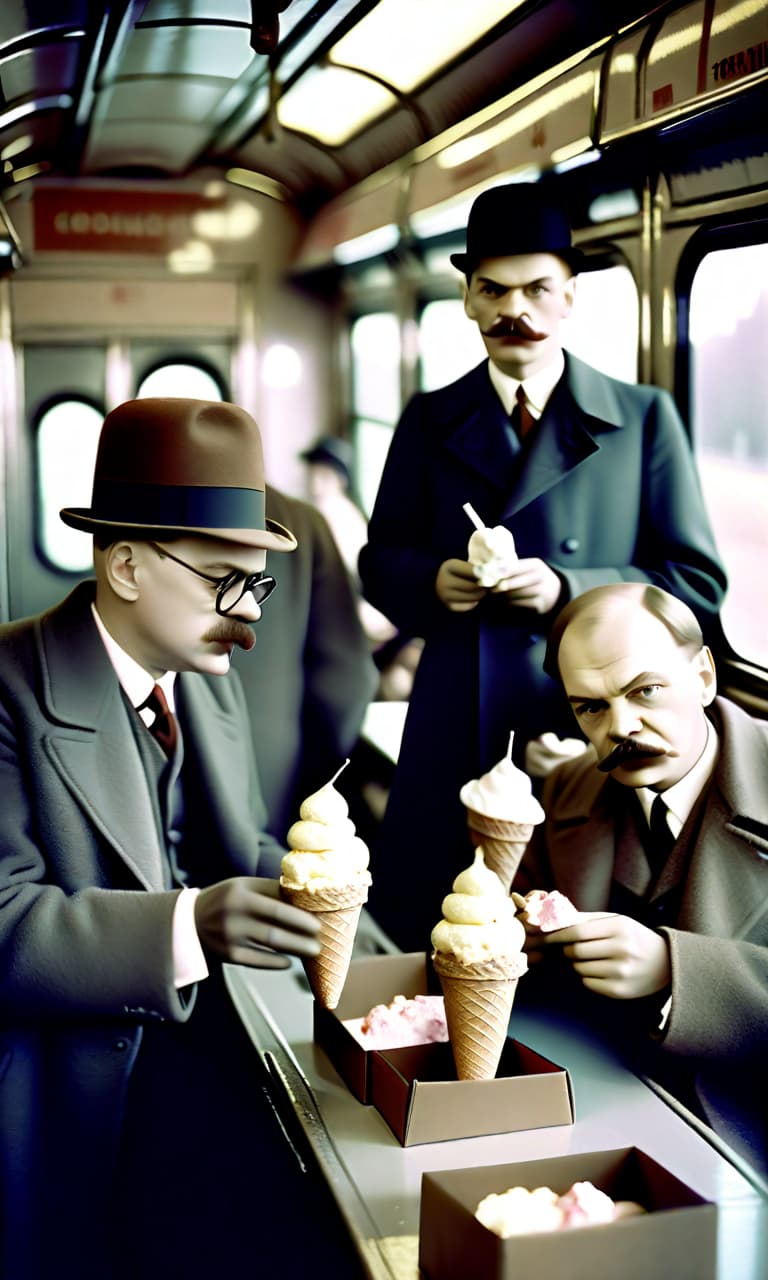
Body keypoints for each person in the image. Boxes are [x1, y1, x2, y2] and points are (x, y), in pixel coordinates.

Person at [0, 398, 365, 1280]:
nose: (248, 615)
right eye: (220, 580)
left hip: (210, 1049)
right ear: (125, 566)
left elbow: (232, 845)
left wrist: (317, 878)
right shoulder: (9, 691)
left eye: (258, 584)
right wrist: (189, 928)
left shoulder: (201, 678)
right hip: (64, 1081)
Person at [359, 181, 727, 950]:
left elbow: (697, 586)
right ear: (465, 298)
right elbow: (380, 563)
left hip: (587, 729)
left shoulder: (643, 417)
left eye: (535, 289)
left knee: (553, 944)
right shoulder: (430, 418)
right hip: (456, 718)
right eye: (491, 289)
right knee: (434, 931)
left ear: (569, 299)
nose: (511, 309)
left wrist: (568, 590)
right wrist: (435, 583)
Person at [514, 582, 767, 1177]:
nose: (620, 727)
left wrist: (675, 972)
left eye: (645, 691)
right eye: (591, 707)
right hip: (588, 1105)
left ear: (705, 677)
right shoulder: (569, 786)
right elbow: (524, 935)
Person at [233, 484, 378, 844]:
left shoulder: (121, 505)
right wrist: (321, 773)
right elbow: (346, 680)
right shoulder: (298, 522)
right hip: (268, 779)